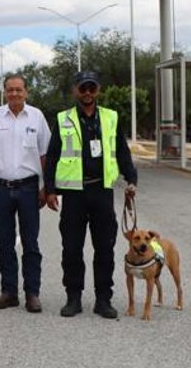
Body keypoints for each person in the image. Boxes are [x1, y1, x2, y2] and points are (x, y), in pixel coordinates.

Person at [44, 70, 139, 319]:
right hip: (74, 193)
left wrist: (132, 179)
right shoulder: (63, 118)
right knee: (72, 248)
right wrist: (51, 189)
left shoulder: (110, 117)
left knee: (105, 248)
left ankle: (103, 299)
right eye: (83, 88)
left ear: (98, 90)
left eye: (92, 88)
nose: (87, 93)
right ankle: (73, 298)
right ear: (75, 90)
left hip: (101, 191)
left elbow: (121, 150)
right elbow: (53, 155)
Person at [0, 74, 52, 313]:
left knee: (31, 244)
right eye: (10, 90)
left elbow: (44, 156)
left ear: (26, 92)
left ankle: (32, 293)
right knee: (5, 244)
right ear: (4, 92)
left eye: (19, 90)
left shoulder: (37, 117)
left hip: (30, 189)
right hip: (1, 188)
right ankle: (8, 291)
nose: (14, 94)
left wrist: (46, 187)